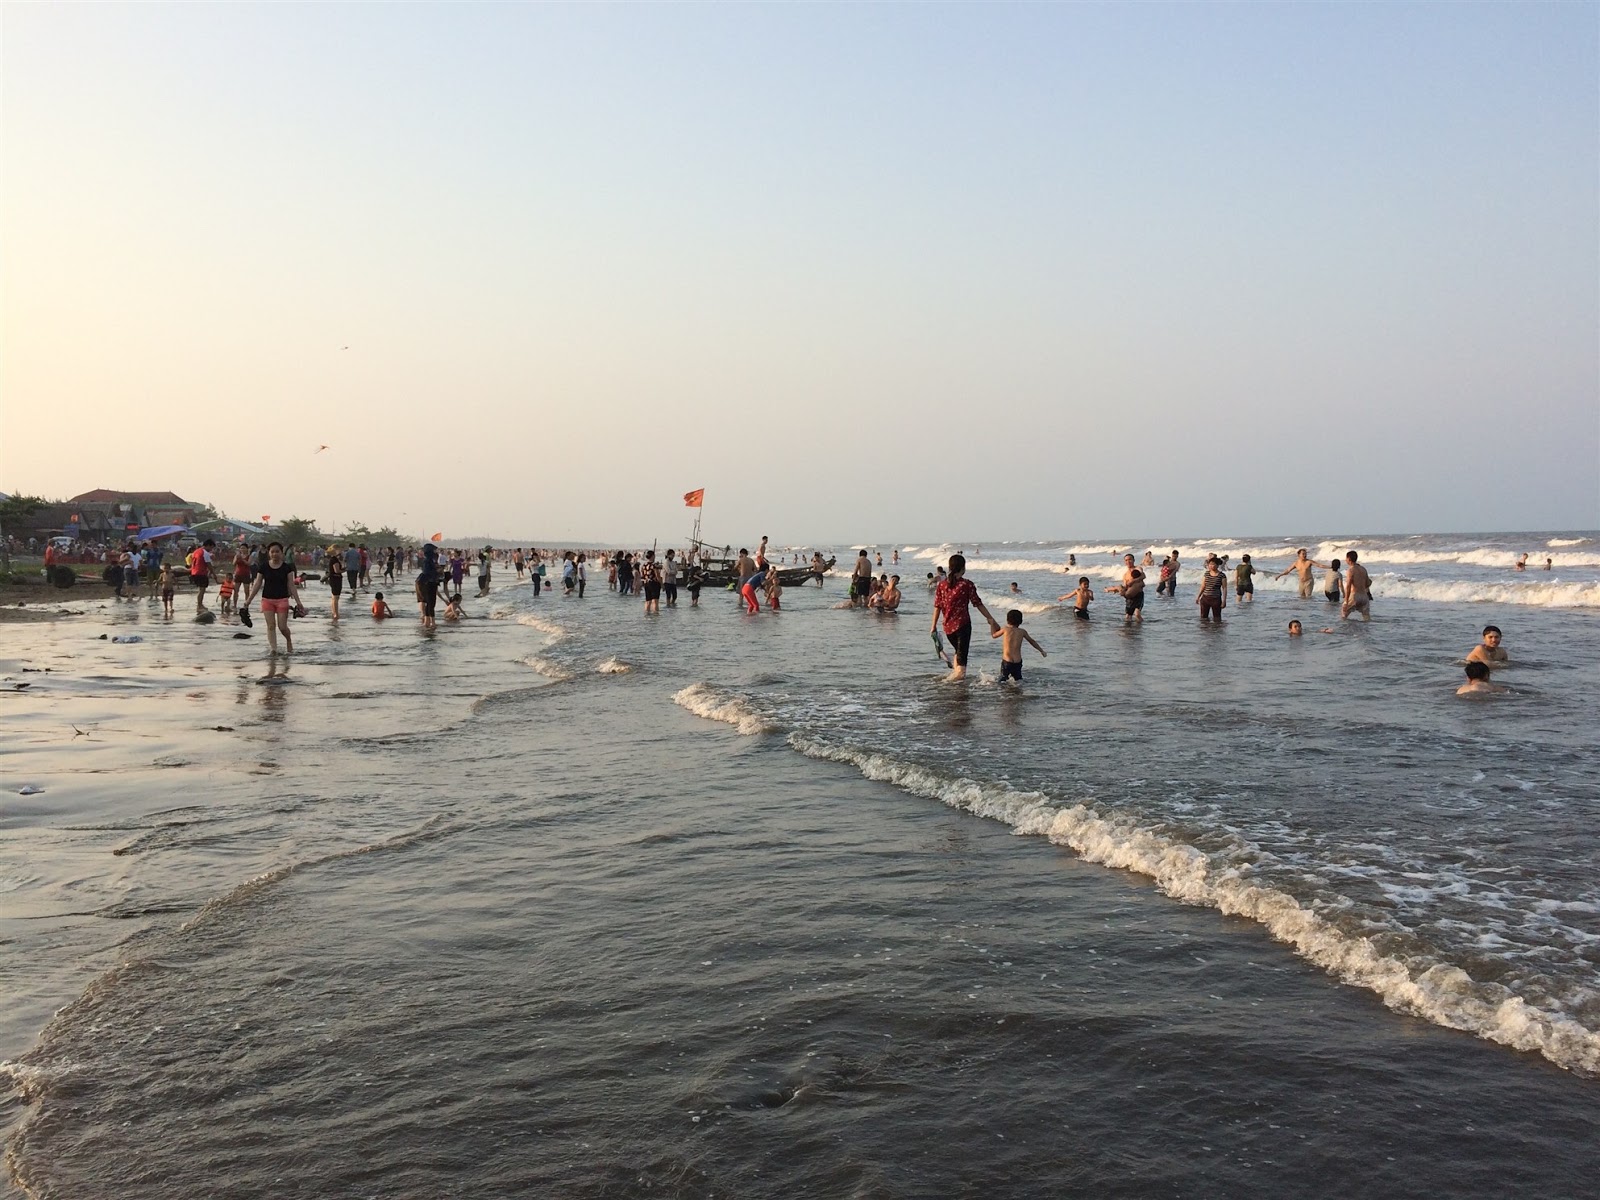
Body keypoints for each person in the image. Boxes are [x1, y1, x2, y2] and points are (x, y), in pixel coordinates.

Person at [932, 554, 999, 681]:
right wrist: (991, 619)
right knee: (962, 666)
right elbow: (978, 604)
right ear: (963, 567)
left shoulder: (942, 585)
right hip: (962, 626)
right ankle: (949, 685)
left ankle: (956, 687)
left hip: (947, 627)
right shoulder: (966, 584)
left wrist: (933, 626)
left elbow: (937, 606)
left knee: (958, 653)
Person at [241, 541, 304, 655]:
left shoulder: (287, 568)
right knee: (271, 626)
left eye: (277, 551)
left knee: (282, 627)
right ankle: (273, 649)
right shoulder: (264, 566)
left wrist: (298, 602)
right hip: (267, 600)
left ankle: (288, 640)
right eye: (272, 552)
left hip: (282, 600)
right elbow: (257, 584)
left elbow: (291, 585)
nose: (275, 554)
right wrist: (248, 600)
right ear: (269, 553)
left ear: (281, 553)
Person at [992, 609, 1046, 682]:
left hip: (1007, 661)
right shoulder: (1022, 631)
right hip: (1018, 661)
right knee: (1018, 680)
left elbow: (994, 635)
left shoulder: (1005, 629)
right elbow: (1032, 641)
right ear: (1020, 621)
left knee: (1002, 680)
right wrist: (1041, 650)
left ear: (1007, 620)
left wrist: (992, 624)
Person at [1104, 553, 1146, 625]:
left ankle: (1140, 629)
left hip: (1139, 595)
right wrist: (1117, 590)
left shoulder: (1138, 568)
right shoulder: (1125, 575)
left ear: (1133, 560)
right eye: (1126, 560)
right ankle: (1129, 630)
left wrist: (1133, 580)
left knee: (1137, 614)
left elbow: (1143, 576)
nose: (1128, 561)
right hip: (1130, 596)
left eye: (1130, 559)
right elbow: (1125, 586)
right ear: (1125, 562)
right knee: (1128, 617)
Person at [1340, 550, 1372, 621]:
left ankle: (1341, 630)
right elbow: (1368, 583)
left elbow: (1348, 586)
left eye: (1346, 558)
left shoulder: (1350, 570)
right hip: (1364, 596)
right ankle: (1368, 630)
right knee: (1366, 617)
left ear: (1349, 559)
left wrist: (1346, 601)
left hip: (1355, 595)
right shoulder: (1363, 569)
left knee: (1344, 614)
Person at [416, 542, 441, 630]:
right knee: (431, 603)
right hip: (429, 583)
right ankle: (432, 622)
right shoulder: (428, 560)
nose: (435, 552)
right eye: (433, 550)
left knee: (429, 603)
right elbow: (427, 572)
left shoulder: (429, 560)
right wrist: (436, 572)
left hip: (429, 582)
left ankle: (427, 621)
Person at [1195, 556, 1227, 621]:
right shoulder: (1206, 574)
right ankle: (1205, 630)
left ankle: (1216, 631)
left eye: (1213, 564)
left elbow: (1224, 588)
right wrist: (1198, 597)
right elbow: (1203, 586)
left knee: (1217, 618)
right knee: (1203, 618)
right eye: (1210, 564)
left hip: (1216, 599)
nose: (1211, 566)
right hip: (1205, 598)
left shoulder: (1221, 575)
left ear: (1217, 565)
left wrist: (1224, 601)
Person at [188, 539, 216, 614]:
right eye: (211, 547)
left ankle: (200, 605)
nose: (211, 550)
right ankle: (199, 605)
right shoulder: (205, 553)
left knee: (201, 589)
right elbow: (209, 565)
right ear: (208, 545)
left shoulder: (196, 551)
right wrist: (214, 574)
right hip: (200, 573)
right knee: (202, 590)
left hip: (194, 572)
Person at [324, 545, 344, 620]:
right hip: (336, 579)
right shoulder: (334, 560)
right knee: (336, 597)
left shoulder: (333, 559)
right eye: (339, 549)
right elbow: (337, 570)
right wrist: (345, 570)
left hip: (333, 579)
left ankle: (334, 612)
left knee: (334, 597)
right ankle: (336, 613)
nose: (340, 551)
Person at [640, 549, 662, 615]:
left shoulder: (644, 565)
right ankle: (656, 614)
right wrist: (662, 584)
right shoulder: (654, 565)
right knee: (655, 601)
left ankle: (646, 614)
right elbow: (657, 575)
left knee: (648, 601)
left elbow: (642, 575)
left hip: (646, 583)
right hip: (654, 583)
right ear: (652, 556)